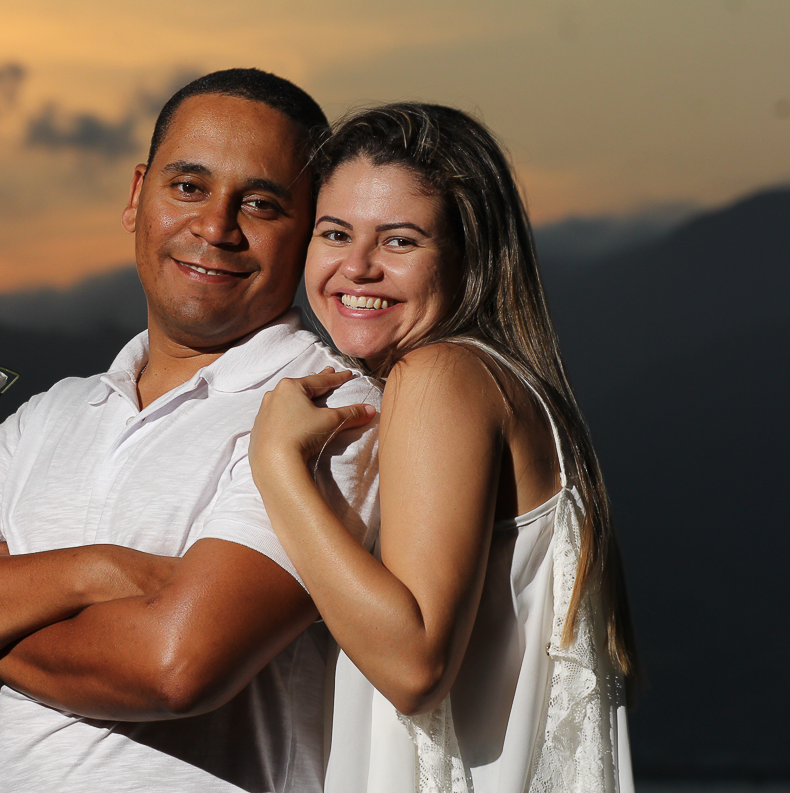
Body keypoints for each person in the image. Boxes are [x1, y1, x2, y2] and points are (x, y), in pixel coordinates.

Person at [0, 69, 381, 793]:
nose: (216, 228)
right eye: (188, 187)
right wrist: (97, 569)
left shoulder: (329, 412)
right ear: (137, 197)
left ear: (310, 232)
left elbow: (175, 666)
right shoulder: (53, 415)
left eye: (260, 203)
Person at [247, 103, 637, 791]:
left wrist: (277, 467)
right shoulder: (506, 384)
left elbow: (413, 665)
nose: (357, 267)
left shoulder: (441, 376)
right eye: (335, 233)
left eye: (399, 242)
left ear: (468, 257)